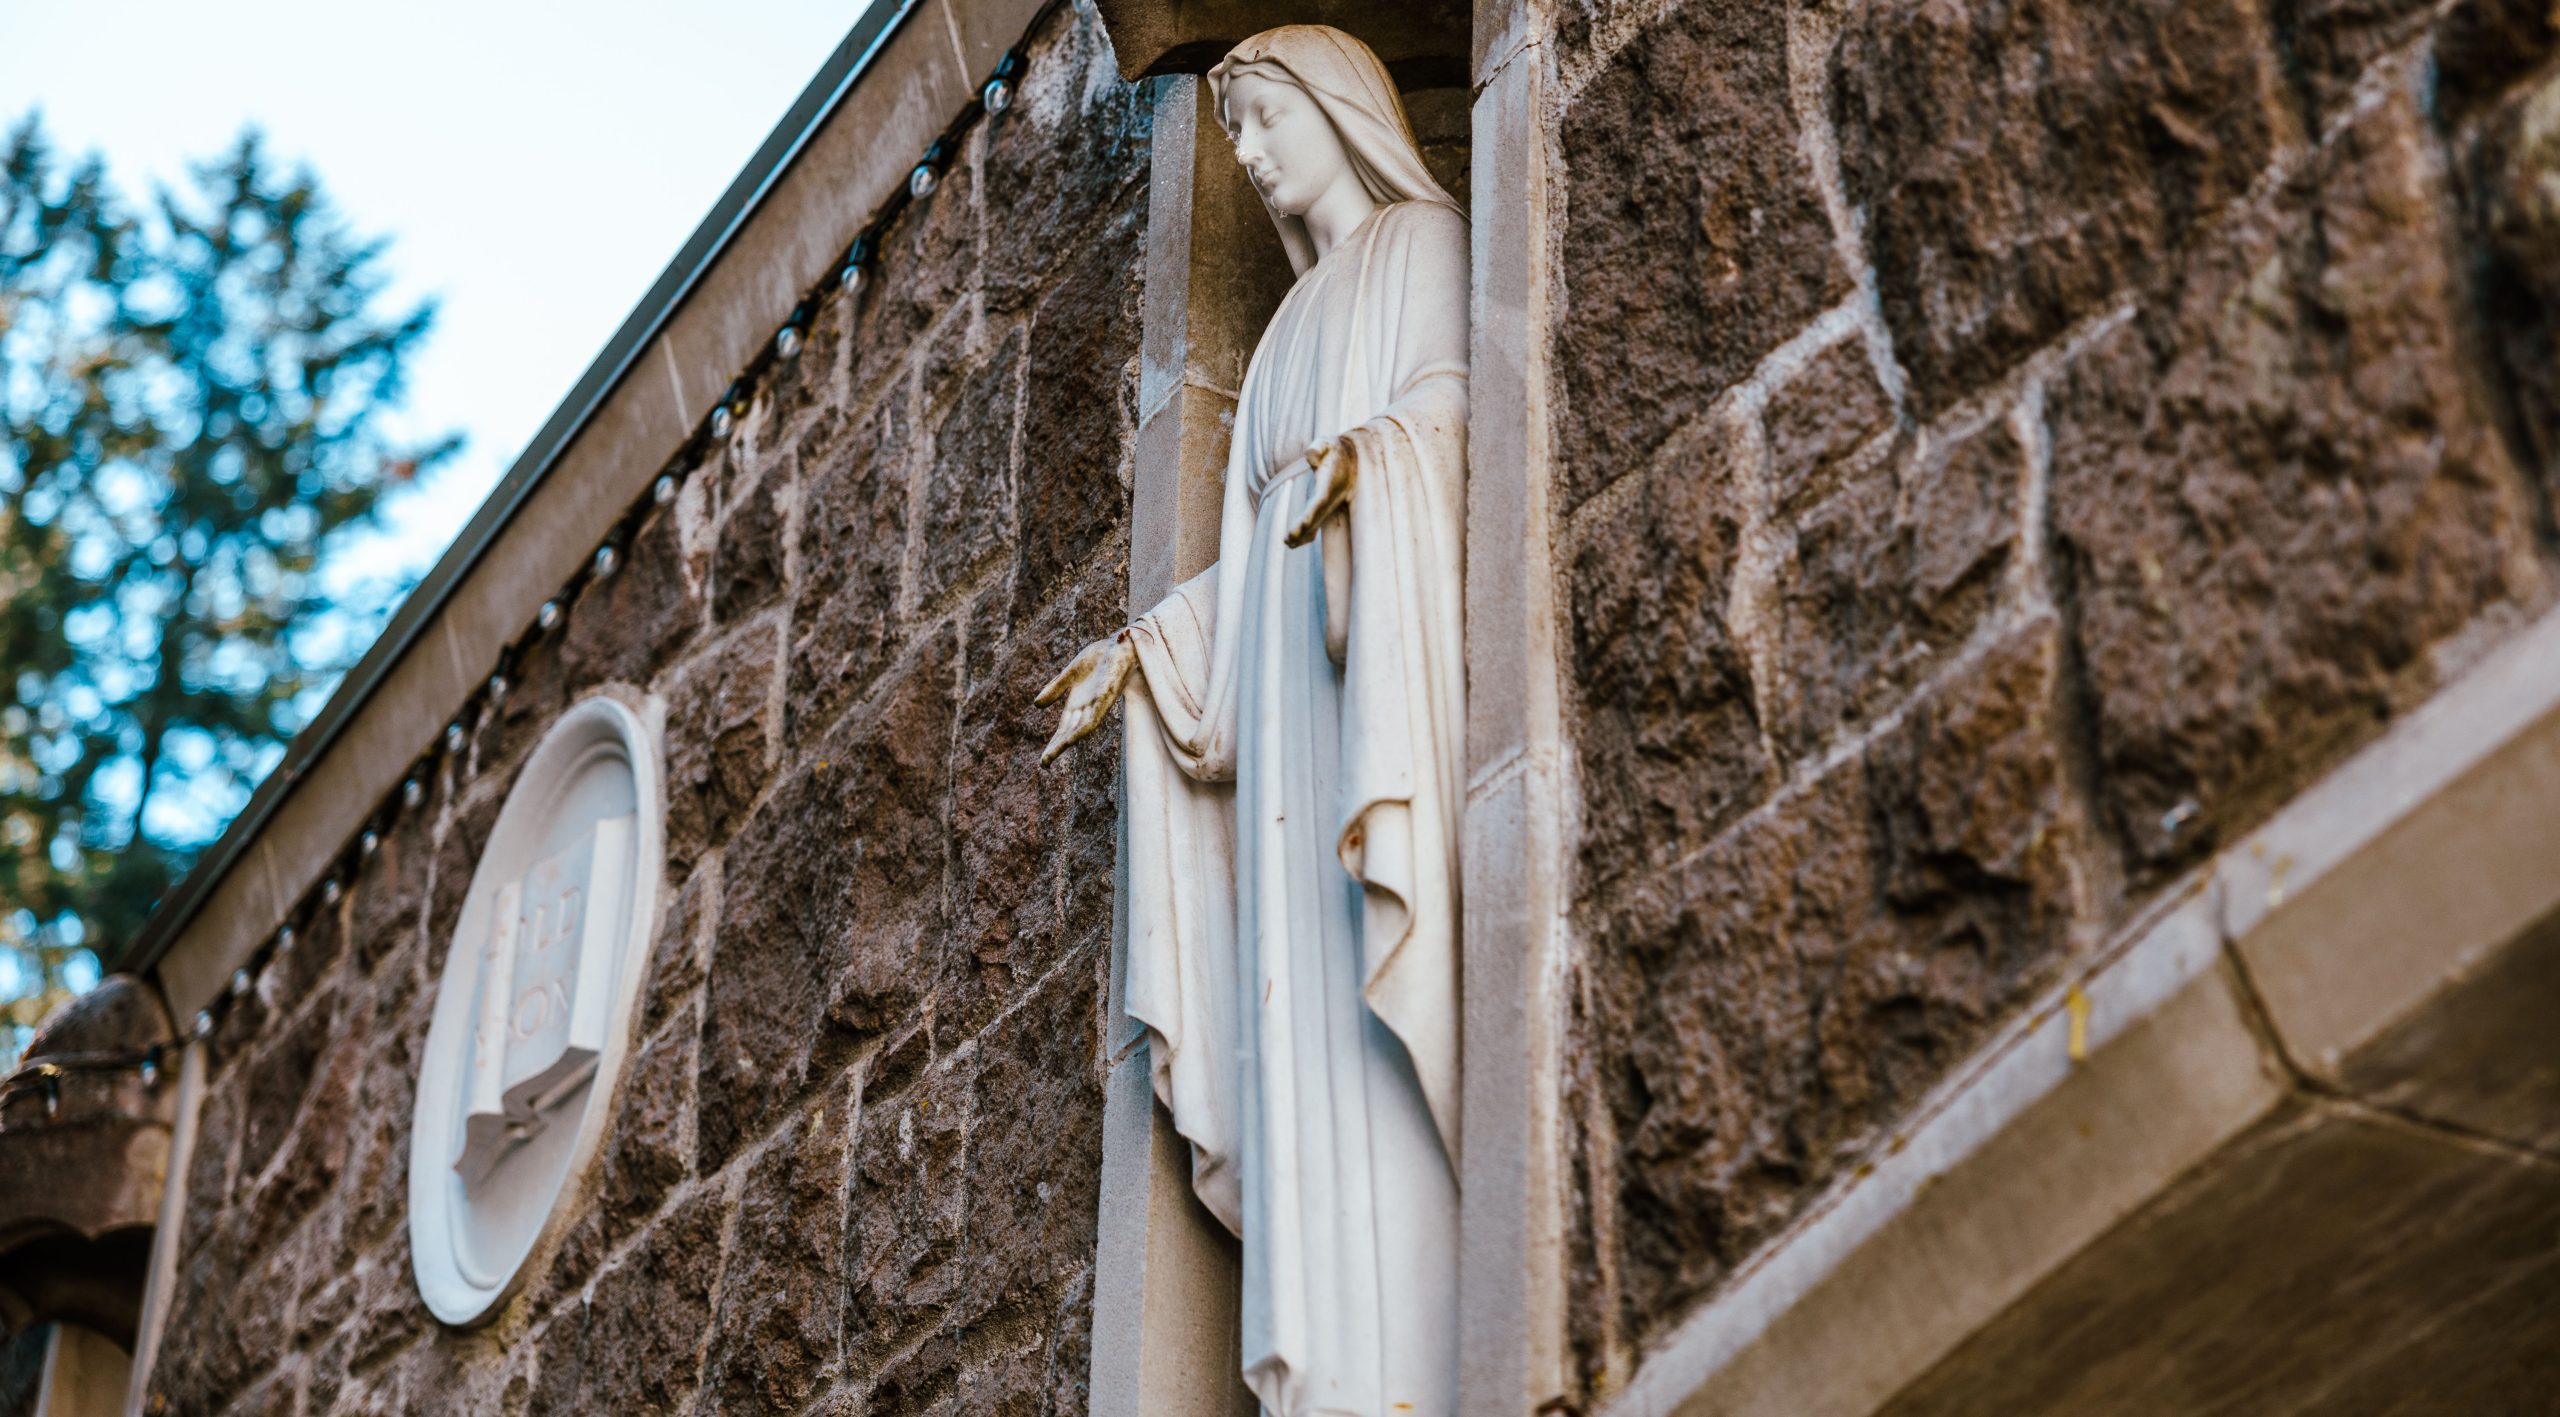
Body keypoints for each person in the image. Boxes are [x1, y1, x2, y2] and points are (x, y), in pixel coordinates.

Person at [1035, 25, 1468, 1417]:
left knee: (1369, 1021)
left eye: (1269, 118)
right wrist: (1157, 653)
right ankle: (1325, 1369)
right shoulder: (1282, 331)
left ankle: (1409, 1355)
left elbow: (1449, 420)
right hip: (1284, 729)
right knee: (1298, 1035)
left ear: (1343, 112)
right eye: (1236, 132)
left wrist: (1372, 468)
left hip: (1376, 705)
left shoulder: (1426, 251)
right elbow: (1252, 543)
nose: (1254, 153)